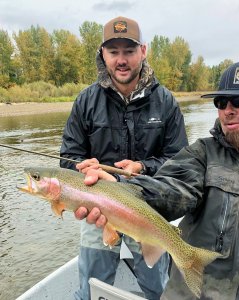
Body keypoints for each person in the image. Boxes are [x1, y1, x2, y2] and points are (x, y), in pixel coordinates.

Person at [75, 61, 239, 300]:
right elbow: (168, 190)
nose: (228, 110)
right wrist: (116, 187)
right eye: (221, 103)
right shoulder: (202, 154)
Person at [60, 16, 188, 300]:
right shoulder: (85, 102)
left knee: (158, 288)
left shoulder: (166, 102)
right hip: (98, 211)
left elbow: (181, 164)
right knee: (91, 288)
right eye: (113, 51)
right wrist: (82, 169)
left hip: (148, 210)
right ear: (102, 54)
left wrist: (143, 167)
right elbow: (67, 160)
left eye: (128, 51)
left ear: (143, 51)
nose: (121, 60)